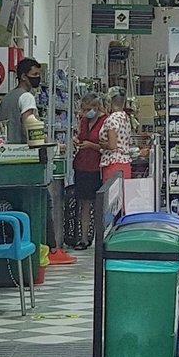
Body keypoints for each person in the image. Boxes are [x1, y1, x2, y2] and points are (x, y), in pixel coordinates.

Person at [70, 95, 106, 249]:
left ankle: (100, 238)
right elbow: (80, 136)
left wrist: (92, 145)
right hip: (82, 165)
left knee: (99, 205)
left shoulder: (106, 121)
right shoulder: (84, 121)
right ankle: (83, 238)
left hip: (98, 166)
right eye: (83, 110)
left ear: (96, 107)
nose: (85, 113)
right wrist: (77, 141)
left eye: (88, 109)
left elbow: (109, 145)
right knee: (83, 203)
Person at [0, 57, 43, 142]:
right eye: (35, 74)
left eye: (39, 74)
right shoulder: (27, 97)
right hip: (22, 147)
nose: (38, 77)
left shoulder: (6, 97)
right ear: (23, 77)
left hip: (4, 148)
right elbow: (29, 126)